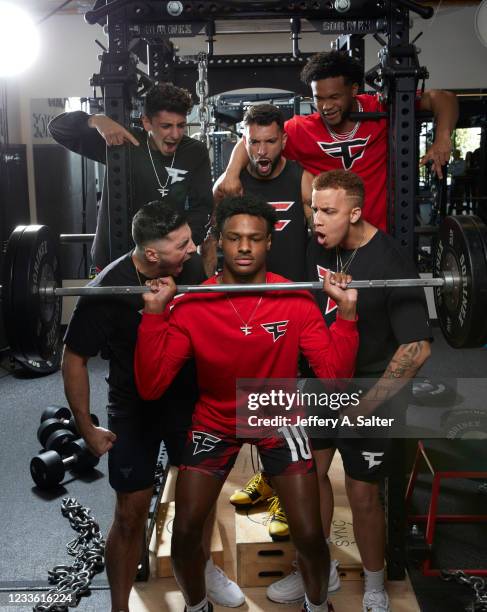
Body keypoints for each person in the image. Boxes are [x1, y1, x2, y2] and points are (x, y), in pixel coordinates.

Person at [134, 194, 360, 612]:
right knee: (185, 533)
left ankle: (317, 606)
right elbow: (151, 386)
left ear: (269, 242)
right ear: (219, 241)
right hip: (214, 420)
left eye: (254, 239)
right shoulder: (191, 304)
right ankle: (196, 606)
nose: (243, 247)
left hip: (279, 417)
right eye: (234, 238)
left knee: (310, 534)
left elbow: (334, 379)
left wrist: (345, 316)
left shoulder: (295, 300)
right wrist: (153, 315)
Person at [62, 201, 244, 612]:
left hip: (189, 405)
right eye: (181, 244)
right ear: (151, 255)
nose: (193, 249)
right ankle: (120, 607)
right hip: (133, 411)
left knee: (197, 506)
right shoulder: (107, 290)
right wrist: (87, 428)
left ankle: (204, 573)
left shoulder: (191, 269)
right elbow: (73, 359)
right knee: (129, 515)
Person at [266, 170, 432, 612]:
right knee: (308, 479)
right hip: (321, 383)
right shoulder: (315, 243)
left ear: (355, 213)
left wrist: (368, 404)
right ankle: (319, 570)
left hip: (372, 386)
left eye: (328, 211)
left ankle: (375, 585)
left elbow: (416, 348)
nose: (316, 219)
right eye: (315, 209)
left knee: (362, 493)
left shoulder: (390, 261)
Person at [217, 50, 458, 232]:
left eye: (334, 97)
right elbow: (254, 140)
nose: (326, 107)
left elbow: (444, 99)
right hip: (330, 238)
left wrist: (442, 139)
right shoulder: (302, 129)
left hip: (381, 234)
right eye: (318, 98)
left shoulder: (381, 109)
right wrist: (231, 173)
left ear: (354, 90)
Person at [49, 83, 213, 270]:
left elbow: (202, 207)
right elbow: (56, 128)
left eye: (181, 125)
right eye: (166, 126)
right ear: (146, 122)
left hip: (169, 262)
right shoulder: (123, 141)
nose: (175, 134)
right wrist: (97, 120)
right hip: (114, 257)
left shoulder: (195, 152)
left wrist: (177, 249)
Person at [203, 103, 313, 281]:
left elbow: (322, 241)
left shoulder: (303, 181)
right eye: (254, 142)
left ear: (283, 140)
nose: (262, 151)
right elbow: (212, 242)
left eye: (270, 141)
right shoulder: (228, 186)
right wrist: (211, 289)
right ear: (245, 142)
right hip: (243, 292)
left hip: (291, 290)